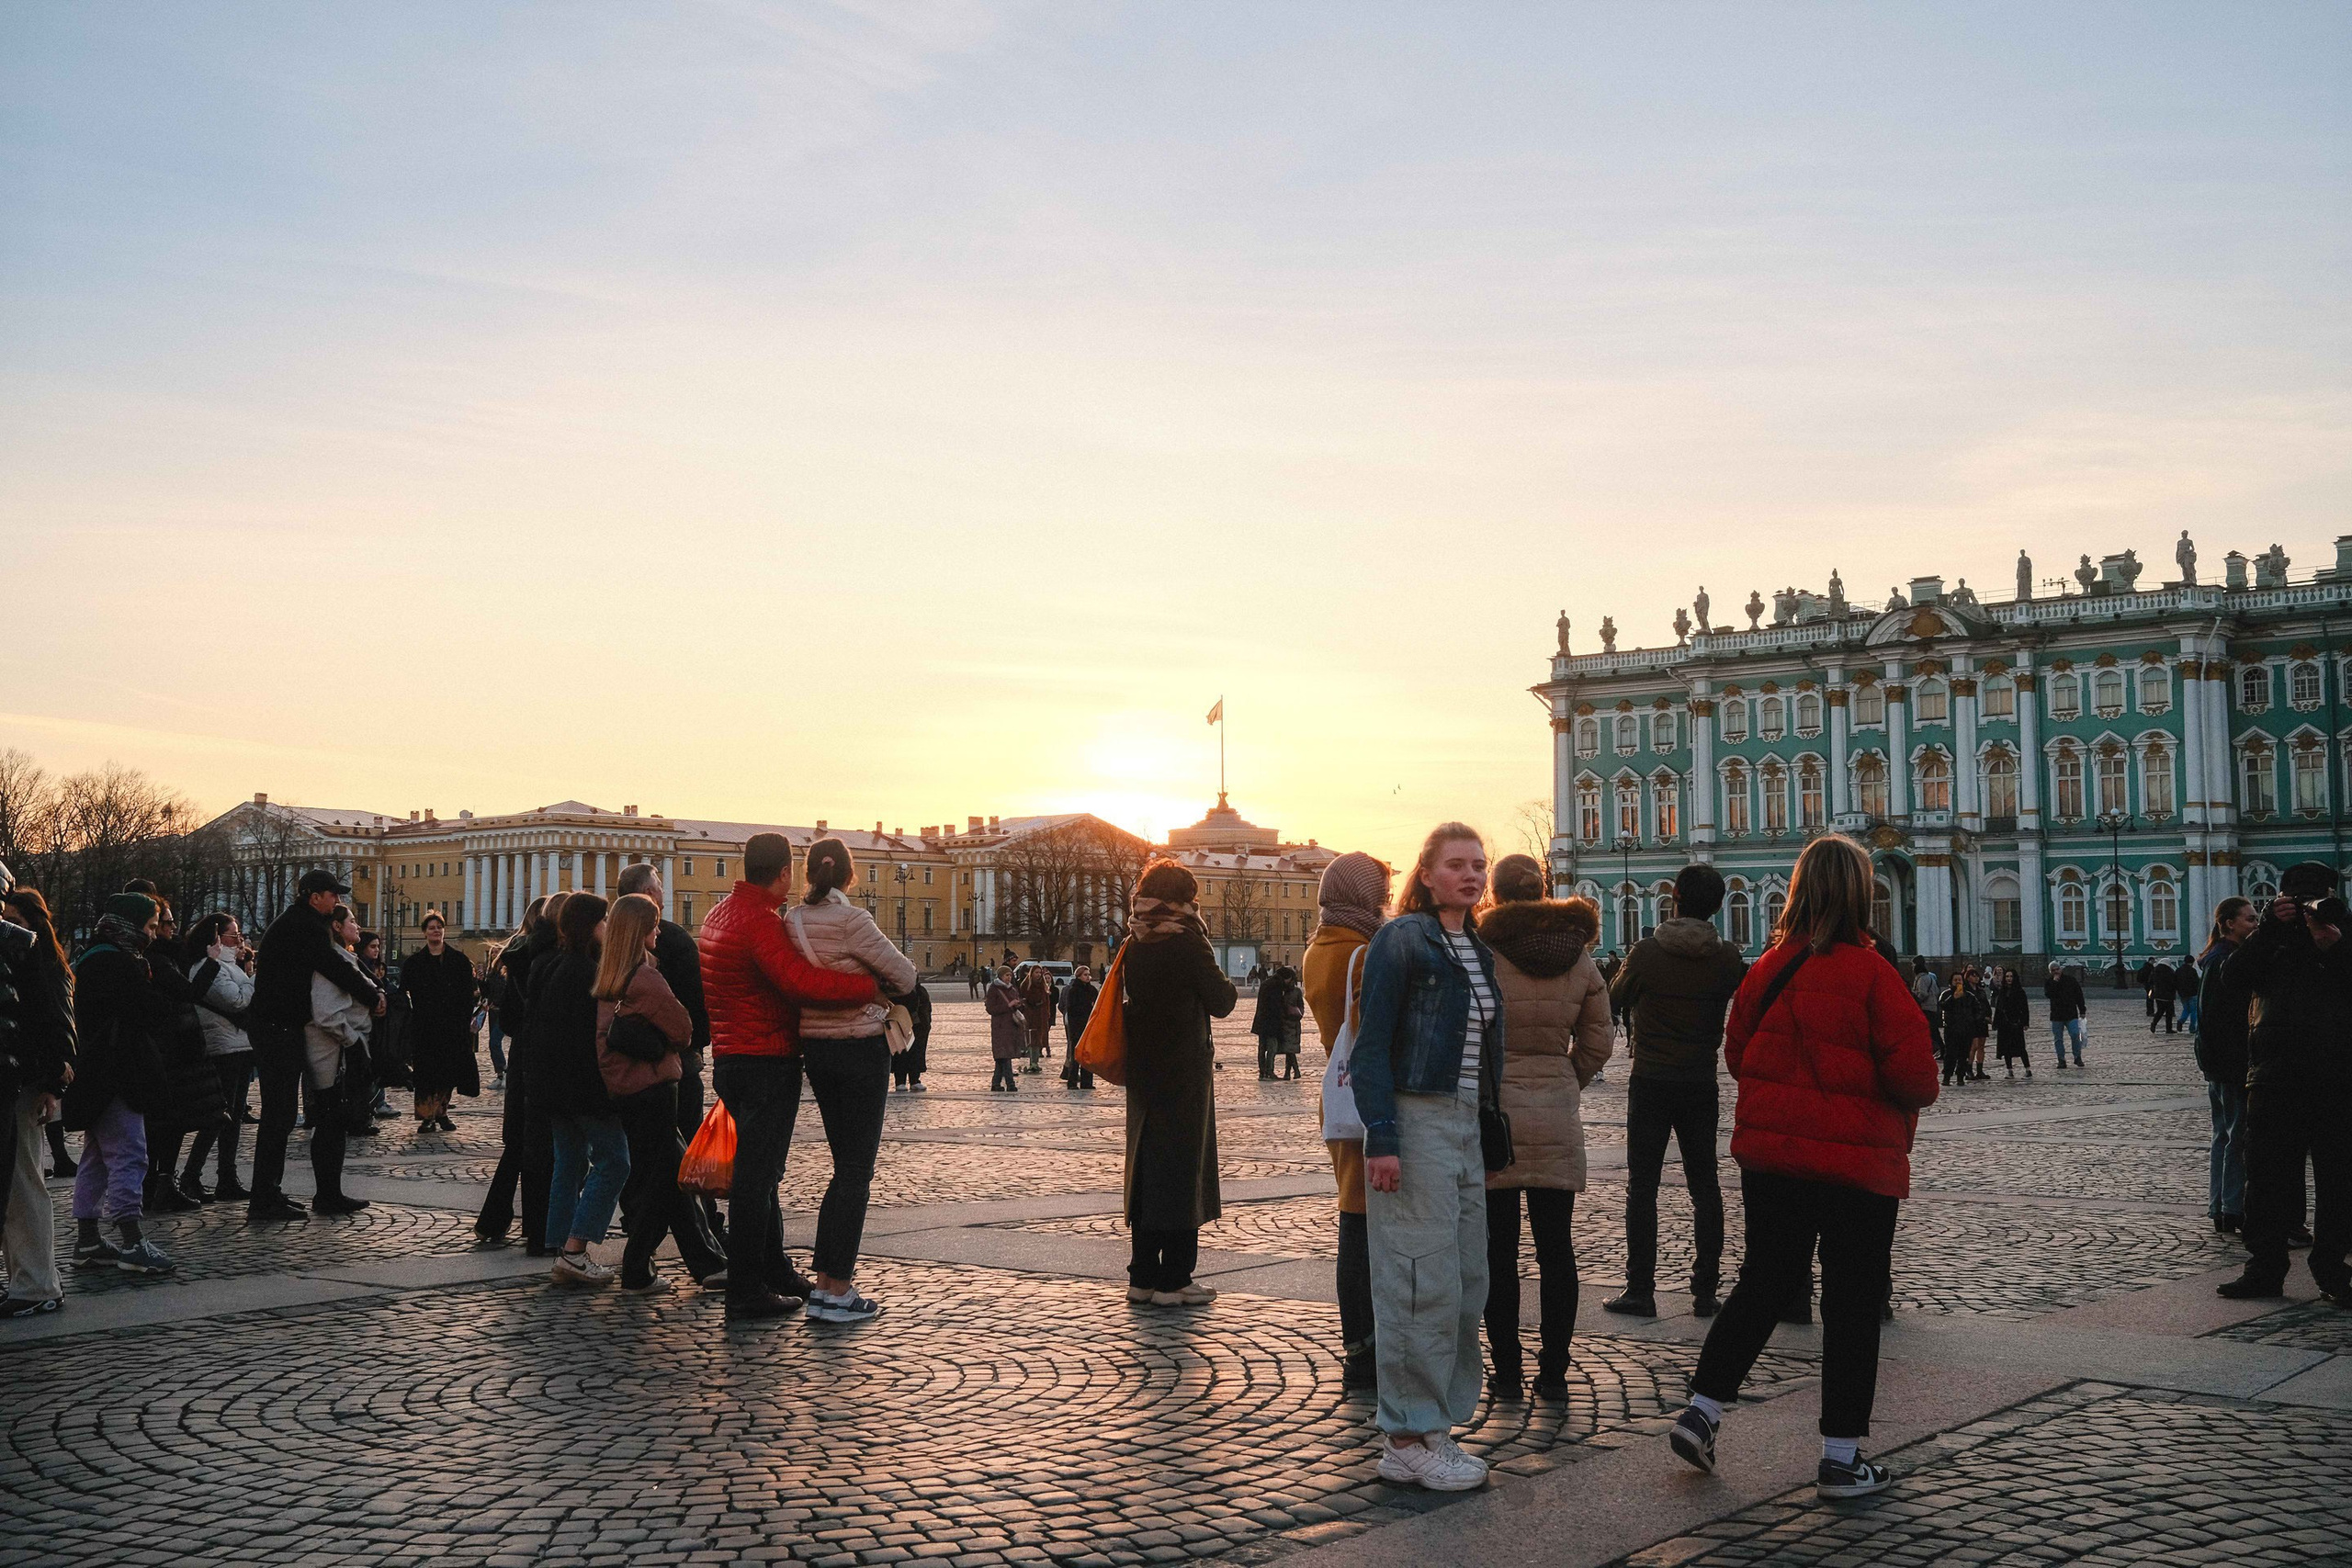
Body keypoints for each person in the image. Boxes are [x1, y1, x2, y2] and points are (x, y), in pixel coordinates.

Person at [1666, 833, 1938, 1500]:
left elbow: (1738, 1054)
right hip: (1856, 1164)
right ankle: (1841, 1459)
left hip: (1775, 1156)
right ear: (1859, 895)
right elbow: (1918, 1078)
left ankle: (1702, 1410)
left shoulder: (1768, 967)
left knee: (1763, 1281)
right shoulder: (1875, 973)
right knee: (1850, 1302)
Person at [1351, 824, 1499, 1493]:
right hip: (1413, 1118)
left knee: (1467, 1279)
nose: (1471, 875)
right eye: (1457, 864)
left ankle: (1436, 1423)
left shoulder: (1476, 945)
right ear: (1428, 872)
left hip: (1463, 1124)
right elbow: (1371, 1043)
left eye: (1479, 865)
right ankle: (1407, 1436)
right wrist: (1382, 1136)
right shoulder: (1402, 937)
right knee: (1418, 1279)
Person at [700, 832, 879, 1323]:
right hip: (765, 1060)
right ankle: (745, 1291)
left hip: (733, 1057)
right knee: (756, 1182)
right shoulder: (760, 923)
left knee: (761, 1175)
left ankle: (774, 1270)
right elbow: (801, 982)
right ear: (782, 873)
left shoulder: (721, 913)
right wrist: (871, 987)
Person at [1477, 855, 1611, 1402]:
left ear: (1496, 893)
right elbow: (1599, 1042)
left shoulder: (1483, 952)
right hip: (1556, 1111)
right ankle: (1554, 1372)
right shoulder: (1578, 957)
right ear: (1543, 889)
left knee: (1499, 1253)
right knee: (1558, 1251)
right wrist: (1564, 1078)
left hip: (1496, 1118)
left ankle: (1507, 1372)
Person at [774, 837, 917, 1323]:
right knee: (855, 1171)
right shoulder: (854, 920)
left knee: (843, 1166)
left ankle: (825, 1284)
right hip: (860, 1048)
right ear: (849, 875)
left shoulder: (791, 921)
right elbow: (906, 975)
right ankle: (835, 1289)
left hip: (816, 1047)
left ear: (807, 871)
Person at [1605, 863, 1747, 1318]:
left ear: (1675, 899)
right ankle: (1705, 1289)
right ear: (1718, 907)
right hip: (1699, 1081)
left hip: (1650, 1079)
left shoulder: (1646, 953)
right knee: (1705, 1186)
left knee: (1642, 1188)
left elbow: (1614, 999)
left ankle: (1640, 1289)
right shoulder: (1726, 958)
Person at [2215, 865, 2350, 1306]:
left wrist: (2337, 950)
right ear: (2280, 899)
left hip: (2337, 1078)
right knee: (2268, 1179)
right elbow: (2232, 981)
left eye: (2316, 897)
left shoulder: (2343, 930)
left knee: (2340, 1182)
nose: (2308, 907)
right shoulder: (2271, 938)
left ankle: (2332, 1268)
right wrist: (2269, 930)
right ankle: (2265, 1267)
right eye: (2297, 899)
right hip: (2275, 1078)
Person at [593, 892, 726, 1295]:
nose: (658, 930)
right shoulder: (646, 977)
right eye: (653, 924)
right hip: (653, 1088)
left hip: (624, 1088)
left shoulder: (608, 975)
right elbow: (683, 1029)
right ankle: (637, 1267)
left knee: (672, 1177)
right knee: (669, 1181)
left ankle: (709, 1265)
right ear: (639, 931)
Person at [1120, 858, 1238, 1310]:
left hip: (1142, 1069)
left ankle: (1142, 1276)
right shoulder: (1187, 939)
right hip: (1183, 1070)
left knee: (1147, 1168)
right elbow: (1222, 1001)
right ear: (1183, 899)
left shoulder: (1135, 939)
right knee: (1184, 1171)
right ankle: (1175, 1280)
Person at [247, 869, 382, 1223]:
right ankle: (263, 1198)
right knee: (279, 1115)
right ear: (314, 897)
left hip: (278, 1025)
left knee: (282, 1115)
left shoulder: (298, 923)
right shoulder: (305, 927)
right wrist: (372, 995)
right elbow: (334, 967)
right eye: (332, 894)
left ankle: (270, 1193)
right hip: (276, 1027)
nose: (337, 900)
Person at [1303, 850, 1390, 1389]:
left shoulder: (1319, 947)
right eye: (1379, 890)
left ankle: (1360, 1343)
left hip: (1340, 1094)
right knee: (1361, 1227)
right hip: (1368, 1096)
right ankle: (1364, 1347)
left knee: (1353, 1217)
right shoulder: (1363, 951)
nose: (1385, 900)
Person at [61, 892, 178, 1274]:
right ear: (130, 926)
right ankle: (131, 1239)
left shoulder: (92, 957)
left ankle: (89, 1239)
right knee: (129, 1153)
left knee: (96, 1158)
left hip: (96, 1075)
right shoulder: (119, 963)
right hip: (118, 1075)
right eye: (148, 926)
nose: (153, 935)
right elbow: (149, 1011)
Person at [614, 863, 724, 1242]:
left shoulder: (608, 943)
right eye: (660, 886)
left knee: (639, 1151)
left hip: (624, 1068)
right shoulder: (673, 941)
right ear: (650, 894)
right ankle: (701, 1227)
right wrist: (697, 1043)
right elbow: (695, 1002)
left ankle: (639, 1220)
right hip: (674, 1061)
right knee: (684, 1150)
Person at [535, 892, 626, 1287]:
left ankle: (561, 1248)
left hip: (554, 1088)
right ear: (591, 926)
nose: (609, 928)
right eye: (604, 921)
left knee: (568, 1165)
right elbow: (592, 1039)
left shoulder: (555, 966)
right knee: (615, 1162)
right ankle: (574, 1250)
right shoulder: (589, 973)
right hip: (585, 1088)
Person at [1, 876, 76, 1317]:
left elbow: (55, 1024)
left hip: (25, 1080)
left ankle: (36, 1283)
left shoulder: (37, 962)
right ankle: (28, 1281)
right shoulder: (44, 961)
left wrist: (53, 1082)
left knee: (23, 1182)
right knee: (19, 1183)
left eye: (13, 919)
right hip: (27, 1076)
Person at [477, 898, 555, 1247]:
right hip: (539, 1057)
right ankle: (535, 1226)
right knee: (537, 1145)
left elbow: (506, 1022)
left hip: (522, 1053)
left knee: (516, 1145)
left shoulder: (512, 960)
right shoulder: (544, 962)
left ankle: (493, 1220)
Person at [176, 911, 256, 1201]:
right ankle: (191, 1175)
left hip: (238, 1045)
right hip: (223, 1048)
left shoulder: (228, 966)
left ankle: (227, 1176)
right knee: (218, 1116)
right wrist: (256, 979)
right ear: (215, 938)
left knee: (232, 1117)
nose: (239, 940)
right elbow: (237, 1000)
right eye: (233, 935)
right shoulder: (206, 967)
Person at [302, 915, 375, 1215]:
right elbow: (327, 1014)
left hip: (338, 1051)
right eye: (352, 921)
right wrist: (353, 1040)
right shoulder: (331, 962)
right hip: (332, 1054)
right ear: (336, 927)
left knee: (335, 1125)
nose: (358, 926)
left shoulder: (345, 958)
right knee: (331, 1124)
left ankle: (331, 1192)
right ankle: (327, 1194)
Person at [2196, 897, 2256, 1236]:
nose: (2254, 924)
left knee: (2223, 1136)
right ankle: (2232, 1208)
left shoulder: (2213, 958)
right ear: (2229, 923)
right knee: (2237, 1139)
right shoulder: (2226, 961)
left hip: (2217, 1065)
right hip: (2231, 1065)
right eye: (2249, 920)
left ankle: (2220, 1207)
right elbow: (2225, 1021)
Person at [401, 912, 479, 1134]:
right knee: (426, 1073)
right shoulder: (414, 963)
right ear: (424, 932)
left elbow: (469, 993)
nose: (436, 930)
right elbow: (404, 993)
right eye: (431, 927)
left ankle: (441, 1112)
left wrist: (466, 1019)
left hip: (452, 1026)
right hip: (424, 1026)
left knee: (448, 1071)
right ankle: (426, 1117)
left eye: (439, 927)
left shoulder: (459, 960)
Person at [1937, 968, 1989, 1089]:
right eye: (1955, 980)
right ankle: (1947, 1077)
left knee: (1963, 1054)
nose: (1957, 982)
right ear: (1951, 982)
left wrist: (1973, 1020)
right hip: (1951, 1029)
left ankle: (1961, 1077)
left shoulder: (1969, 995)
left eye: (1959, 980)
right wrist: (1953, 997)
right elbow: (1942, 1006)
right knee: (1950, 1055)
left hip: (1966, 1029)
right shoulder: (1946, 994)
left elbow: (1978, 1009)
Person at [985, 966, 1024, 1091]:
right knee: (1005, 1056)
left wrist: (1019, 1004)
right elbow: (990, 1009)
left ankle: (996, 1084)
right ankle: (1010, 1084)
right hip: (1000, 1027)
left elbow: (1017, 1003)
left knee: (1002, 1058)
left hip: (1012, 1026)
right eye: (1007, 975)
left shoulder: (1012, 989)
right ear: (1000, 976)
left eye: (1010, 975)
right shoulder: (994, 989)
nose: (1009, 978)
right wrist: (1008, 1005)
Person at [1059, 964, 1099, 1089]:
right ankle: (1072, 1081)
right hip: (1077, 1027)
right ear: (1079, 976)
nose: (1088, 977)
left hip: (1089, 1026)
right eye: (1085, 975)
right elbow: (1071, 1010)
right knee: (1075, 1056)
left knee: (1088, 1055)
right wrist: (1088, 1006)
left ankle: (1087, 1082)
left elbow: (1097, 1006)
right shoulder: (1073, 990)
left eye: (1088, 975)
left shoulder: (1092, 990)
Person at [1992, 967, 2032, 1079]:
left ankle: (2027, 1069)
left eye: (2011, 976)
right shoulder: (2002, 991)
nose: (2009, 979)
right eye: (2007, 977)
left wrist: (2025, 1022)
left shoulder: (2020, 991)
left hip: (2016, 1023)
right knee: (2006, 1048)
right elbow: (1999, 1008)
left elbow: (2025, 1008)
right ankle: (2009, 1070)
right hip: (2004, 1024)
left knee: (2020, 1047)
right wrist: (1995, 1023)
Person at [2045, 962, 2087, 1068]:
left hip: (2071, 1013)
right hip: (2056, 1015)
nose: (2056, 972)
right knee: (2058, 1039)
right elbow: (2049, 995)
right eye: (2053, 970)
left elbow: (2079, 995)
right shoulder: (2049, 982)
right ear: (2050, 972)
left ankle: (2077, 1057)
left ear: (2061, 969)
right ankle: (2061, 1060)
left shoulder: (2070, 980)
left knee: (2075, 1035)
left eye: (2057, 969)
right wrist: (2055, 983)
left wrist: (2082, 1010)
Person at [894, 980, 933, 1092]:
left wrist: (927, 1023)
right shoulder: (899, 990)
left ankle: (915, 1080)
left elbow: (927, 1008)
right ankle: (900, 1081)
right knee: (901, 1052)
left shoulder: (921, 991)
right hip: (902, 1025)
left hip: (919, 1026)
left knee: (917, 1053)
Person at [1021, 963, 1055, 1073]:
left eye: (1040, 972)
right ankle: (1032, 1062)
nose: (1039, 975)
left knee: (1039, 1038)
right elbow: (1025, 999)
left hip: (1041, 1015)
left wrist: (1047, 1013)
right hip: (1031, 1015)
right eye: (1036, 972)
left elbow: (1047, 1001)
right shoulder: (1026, 984)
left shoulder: (1043, 985)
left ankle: (1036, 1062)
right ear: (1032, 973)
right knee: (1032, 1038)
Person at [2148, 959, 2177, 1035]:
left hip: (2158, 995)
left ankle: (2154, 1024)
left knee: (2160, 1011)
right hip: (2168, 995)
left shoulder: (2155, 970)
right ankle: (2168, 1028)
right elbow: (2173, 982)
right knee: (2169, 1012)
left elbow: (2150, 981)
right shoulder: (2169, 971)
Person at [2175, 953, 2202, 1034]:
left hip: (2182, 994)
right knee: (2194, 1011)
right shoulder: (2192, 971)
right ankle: (2192, 1028)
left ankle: (2181, 1021)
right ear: (2192, 962)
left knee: (2186, 1009)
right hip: (2193, 993)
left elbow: (2175, 981)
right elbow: (2196, 982)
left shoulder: (2178, 970)